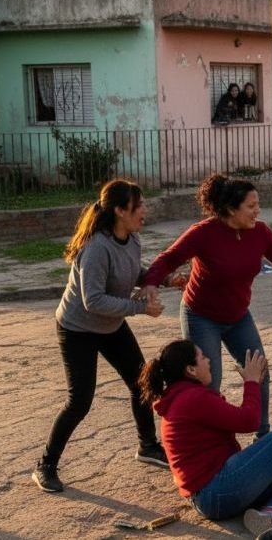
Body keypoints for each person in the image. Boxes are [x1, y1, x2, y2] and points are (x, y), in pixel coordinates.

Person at [143, 174, 272, 440]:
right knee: (208, 382)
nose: (258, 210)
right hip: (201, 316)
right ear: (232, 209)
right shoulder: (204, 233)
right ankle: (209, 443)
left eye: (258, 204)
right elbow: (168, 259)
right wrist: (152, 283)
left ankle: (263, 436)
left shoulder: (260, 232)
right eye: (251, 206)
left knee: (260, 371)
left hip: (237, 316)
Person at [32, 179, 168, 494]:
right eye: (139, 205)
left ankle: (148, 446)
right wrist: (139, 307)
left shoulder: (131, 238)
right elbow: (93, 300)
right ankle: (46, 465)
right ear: (120, 210)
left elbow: (132, 270)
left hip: (110, 326)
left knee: (142, 382)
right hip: (77, 329)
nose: (144, 210)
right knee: (79, 400)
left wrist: (161, 278)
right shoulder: (95, 248)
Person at [139, 339, 272, 534]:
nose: (208, 361)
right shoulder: (192, 399)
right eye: (202, 357)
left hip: (212, 496)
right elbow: (248, 421)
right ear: (191, 370)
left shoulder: (185, 397)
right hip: (215, 491)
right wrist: (251, 382)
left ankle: (271, 513)